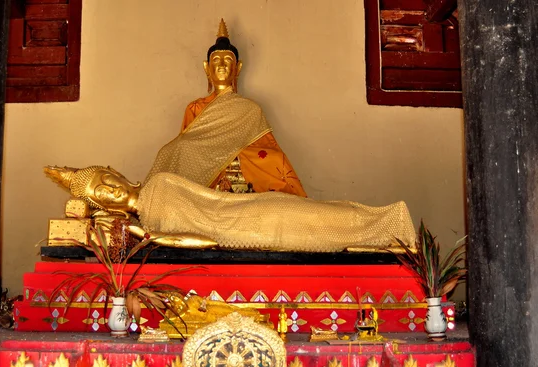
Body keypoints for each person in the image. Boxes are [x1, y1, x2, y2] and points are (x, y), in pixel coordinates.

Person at [44, 165, 416, 252]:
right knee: (317, 234)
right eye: (100, 193)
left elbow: (211, 198)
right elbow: (200, 240)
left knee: (322, 213)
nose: (109, 189)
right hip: (239, 233)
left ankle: (390, 223)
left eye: (106, 178)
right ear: (98, 205)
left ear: (116, 171)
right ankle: (387, 236)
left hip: (249, 207)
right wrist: (143, 232)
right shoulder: (150, 223)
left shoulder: (161, 179)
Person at [144, 19, 307, 197]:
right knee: (177, 148)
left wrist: (232, 153)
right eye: (216, 60)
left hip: (240, 164)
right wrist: (214, 155)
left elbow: (265, 147)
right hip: (205, 166)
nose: (221, 65)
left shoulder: (250, 109)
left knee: (276, 159)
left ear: (237, 68)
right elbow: (186, 147)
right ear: (207, 68)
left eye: (228, 60)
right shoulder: (195, 107)